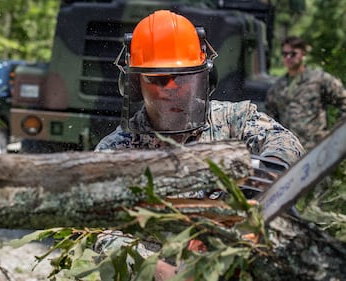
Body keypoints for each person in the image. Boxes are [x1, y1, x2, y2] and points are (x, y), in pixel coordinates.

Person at [95, 10, 304, 280]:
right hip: (160, 263)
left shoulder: (233, 120)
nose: (172, 88)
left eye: (184, 78)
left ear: (205, 77)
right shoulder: (116, 150)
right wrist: (158, 270)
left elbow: (285, 141)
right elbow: (103, 232)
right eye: (159, 80)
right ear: (135, 84)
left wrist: (255, 187)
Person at [265, 36, 346, 150]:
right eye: (285, 54)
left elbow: (343, 100)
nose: (288, 57)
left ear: (303, 54)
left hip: (315, 149)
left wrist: (335, 135)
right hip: (289, 150)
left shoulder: (319, 79)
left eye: (293, 54)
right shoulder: (276, 87)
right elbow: (270, 119)